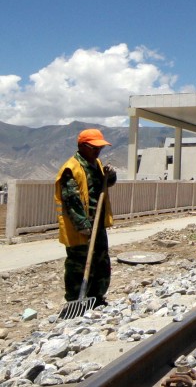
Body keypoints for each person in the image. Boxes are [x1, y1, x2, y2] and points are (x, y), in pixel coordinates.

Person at [55, 129, 118, 307]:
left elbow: (106, 184)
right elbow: (71, 199)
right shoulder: (71, 168)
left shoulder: (95, 163)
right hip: (80, 226)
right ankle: (76, 300)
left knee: (101, 261)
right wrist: (82, 223)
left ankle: (97, 297)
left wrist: (110, 175)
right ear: (83, 146)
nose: (98, 151)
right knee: (79, 265)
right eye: (94, 148)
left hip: (97, 224)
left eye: (100, 148)